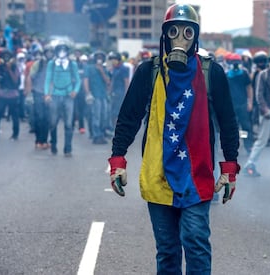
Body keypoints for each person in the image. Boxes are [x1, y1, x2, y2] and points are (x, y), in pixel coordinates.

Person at [107, 4, 240, 274]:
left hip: (197, 175)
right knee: (167, 251)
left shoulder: (211, 72)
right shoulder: (149, 71)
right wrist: (118, 160)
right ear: (164, 36)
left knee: (196, 243)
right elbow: (129, 117)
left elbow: (228, 122)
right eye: (173, 31)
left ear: (196, 37)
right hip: (158, 175)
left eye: (187, 32)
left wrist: (230, 168)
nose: (180, 38)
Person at [44, 41, 81, 157]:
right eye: (59, 50)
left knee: (69, 123)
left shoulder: (72, 64)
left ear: (67, 52)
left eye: (64, 50)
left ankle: (68, 148)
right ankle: (53, 144)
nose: (61, 53)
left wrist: (75, 90)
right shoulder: (52, 63)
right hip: (55, 94)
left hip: (68, 96)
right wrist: (46, 94)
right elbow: (48, 79)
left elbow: (78, 80)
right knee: (53, 122)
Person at [25, 45, 54, 149]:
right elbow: (30, 78)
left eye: (51, 52)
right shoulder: (38, 64)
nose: (49, 54)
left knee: (47, 119)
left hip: (50, 95)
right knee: (39, 117)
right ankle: (38, 140)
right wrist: (29, 94)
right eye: (48, 52)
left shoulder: (55, 65)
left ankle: (45, 141)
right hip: (38, 93)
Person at [0, 48, 20, 140]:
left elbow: (15, 80)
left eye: (7, 57)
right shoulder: (0, 67)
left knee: (14, 116)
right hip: (2, 94)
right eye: (4, 57)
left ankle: (15, 134)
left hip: (13, 94)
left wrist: (9, 70)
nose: (6, 58)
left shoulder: (14, 67)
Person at [226, 53, 253, 153]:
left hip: (242, 105)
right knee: (233, 128)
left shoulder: (244, 74)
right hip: (231, 106)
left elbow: (249, 88)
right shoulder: (227, 75)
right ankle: (233, 147)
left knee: (245, 127)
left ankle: (248, 146)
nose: (235, 64)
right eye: (233, 62)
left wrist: (249, 102)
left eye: (237, 62)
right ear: (229, 63)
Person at [83, 50, 110, 144]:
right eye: (98, 57)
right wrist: (87, 93)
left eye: (101, 57)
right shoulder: (89, 68)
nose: (99, 59)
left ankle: (102, 134)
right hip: (94, 95)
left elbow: (108, 82)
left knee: (104, 116)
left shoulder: (105, 69)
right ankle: (96, 135)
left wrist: (101, 71)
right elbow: (86, 80)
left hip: (103, 96)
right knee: (96, 116)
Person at [107, 51, 129, 133]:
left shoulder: (123, 69)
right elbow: (112, 81)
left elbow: (126, 82)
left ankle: (117, 130)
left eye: (114, 59)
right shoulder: (114, 69)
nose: (112, 61)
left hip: (120, 93)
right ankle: (113, 128)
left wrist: (126, 94)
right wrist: (109, 91)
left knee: (117, 112)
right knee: (113, 112)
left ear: (118, 60)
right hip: (114, 93)